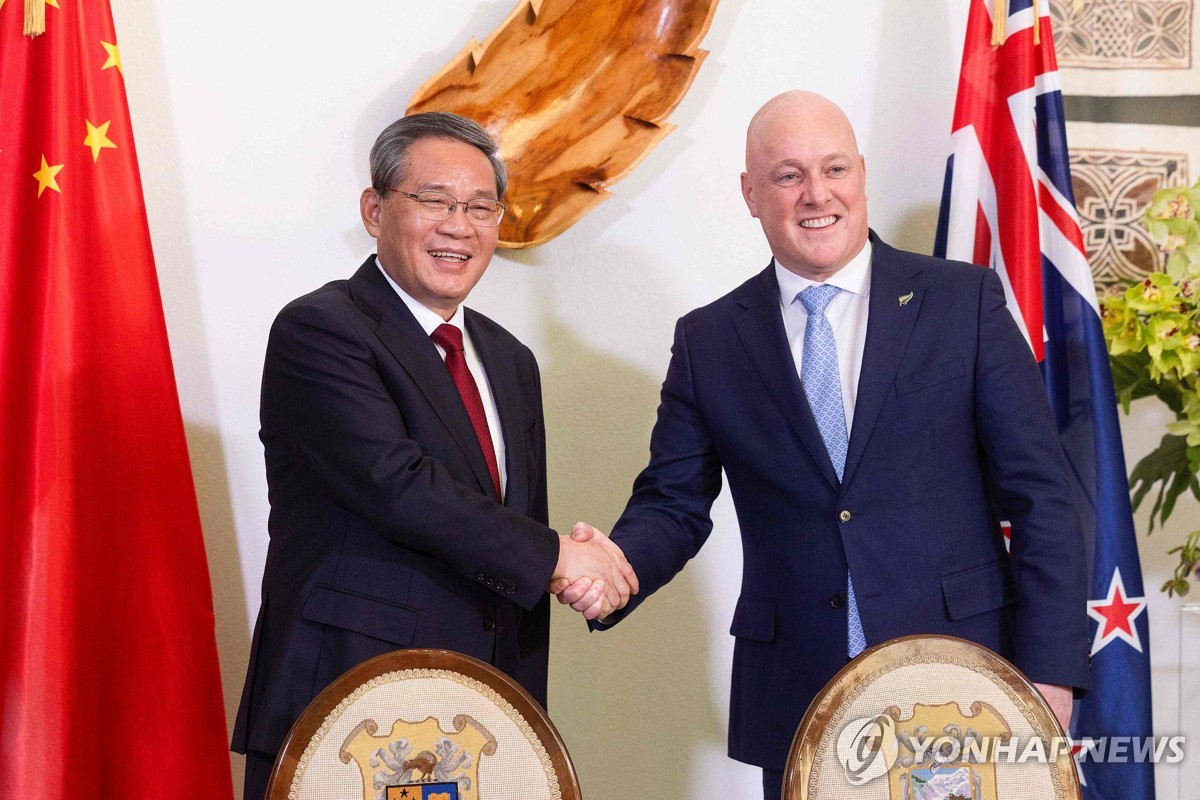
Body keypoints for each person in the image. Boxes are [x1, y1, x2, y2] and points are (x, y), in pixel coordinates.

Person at [553, 91, 1089, 799]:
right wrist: (612, 570)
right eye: (787, 175)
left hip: (962, 685)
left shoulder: (963, 302)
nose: (816, 194)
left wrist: (1049, 675)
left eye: (834, 169)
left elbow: (1044, 496)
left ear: (860, 173)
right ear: (750, 193)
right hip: (800, 697)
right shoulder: (711, 340)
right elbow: (672, 503)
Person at [231, 111, 637, 800]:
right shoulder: (321, 330)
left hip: (480, 725)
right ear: (374, 209)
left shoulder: (509, 360)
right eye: (435, 201)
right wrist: (560, 559)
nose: (460, 226)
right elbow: (399, 486)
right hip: (347, 713)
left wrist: (574, 588)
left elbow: (508, 533)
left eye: (481, 207)